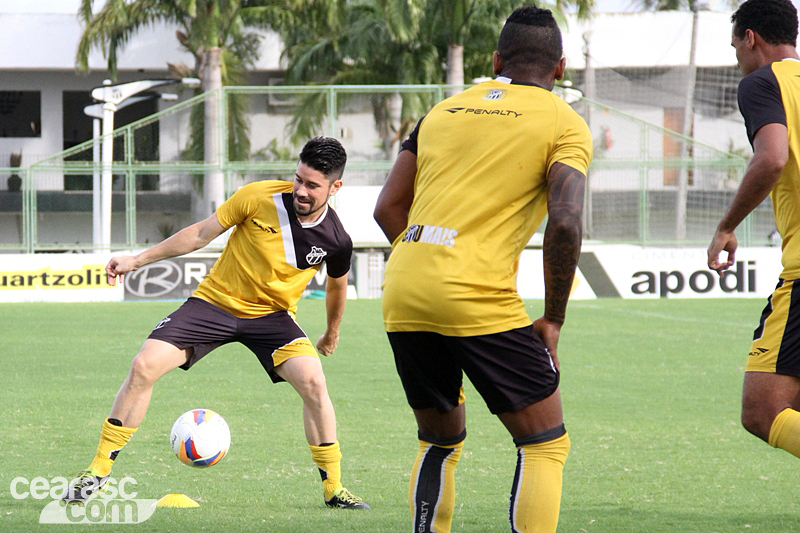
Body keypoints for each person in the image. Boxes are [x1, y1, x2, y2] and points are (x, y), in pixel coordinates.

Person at [373, 6, 592, 533]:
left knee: (440, 440)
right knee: (544, 442)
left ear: (496, 61)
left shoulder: (443, 111)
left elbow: (386, 210)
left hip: (404, 287)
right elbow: (565, 222)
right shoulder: (565, 122)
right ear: (560, 69)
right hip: (475, 295)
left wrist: (427, 258)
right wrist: (553, 319)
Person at [63, 136, 370, 510]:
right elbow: (199, 234)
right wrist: (138, 260)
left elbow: (338, 285)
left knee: (314, 381)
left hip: (272, 317)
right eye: (298, 179)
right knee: (144, 365)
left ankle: (333, 487)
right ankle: (97, 472)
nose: (300, 190)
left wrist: (331, 332)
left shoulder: (337, 239)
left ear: (335, 187)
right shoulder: (257, 197)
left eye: (312, 185)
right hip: (214, 304)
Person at [707, 0, 800, 464]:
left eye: (735, 47)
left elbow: (772, 157)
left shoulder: (763, 83)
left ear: (752, 39)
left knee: (763, 409)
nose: (737, 60)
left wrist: (726, 226)